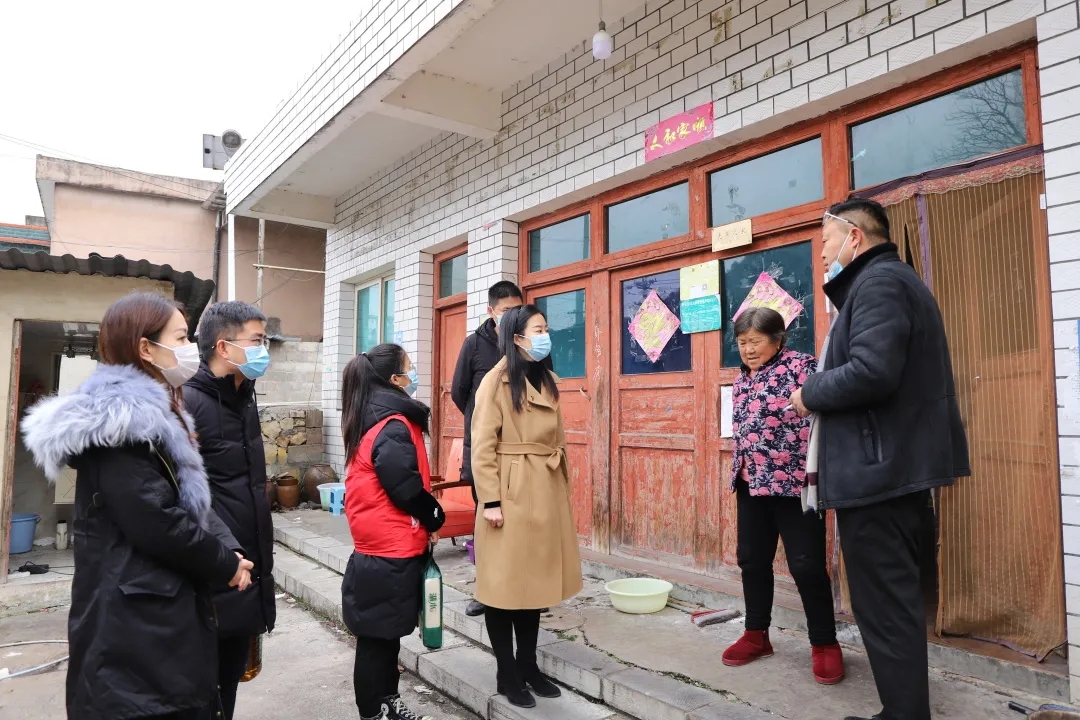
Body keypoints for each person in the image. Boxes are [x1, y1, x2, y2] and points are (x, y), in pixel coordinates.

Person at [21, 292, 253, 720]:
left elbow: (191, 500)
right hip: (137, 627)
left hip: (156, 611)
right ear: (146, 347)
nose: (190, 350)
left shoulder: (160, 412)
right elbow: (157, 520)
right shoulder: (122, 424)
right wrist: (224, 564)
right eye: (182, 338)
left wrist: (230, 549)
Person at [789, 198, 970, 720]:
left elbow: (872, 372)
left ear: (854, 238)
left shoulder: (880, 284)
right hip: (890, 471)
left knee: (886, 609)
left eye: (825, 242)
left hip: (881, 477)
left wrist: (811, 391)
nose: (821, 255)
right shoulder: (886, 283)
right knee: (894, 606)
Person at [722, 307, 843, 685]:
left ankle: (824, 644)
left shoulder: (802, 367)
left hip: (794, 486)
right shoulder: (741, 379)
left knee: (806, 565)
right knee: (752, 561)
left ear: (777, 338)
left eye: (755, 341)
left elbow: (828, 409)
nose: (748, 349)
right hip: (750, 483)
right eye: (742, 343)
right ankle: (756, 634)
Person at [470, 305, 583, 709]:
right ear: (516, 337)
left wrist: (562, 484)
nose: (545, 335)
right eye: (538, 329)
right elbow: (482, 447)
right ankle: (506, 671)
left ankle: (528, 664)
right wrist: (491, 501)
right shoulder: (494, 382)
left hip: (545, 487)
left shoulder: (548, 378)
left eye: (546, 329)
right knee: (503, 587)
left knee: (534, 587)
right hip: (510, 491)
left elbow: (560, 438)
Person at [340, 344, 445, 720]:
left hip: (382, 545)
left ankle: (386, 702)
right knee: (377, 640)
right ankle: (374, 710)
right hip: (390, 548)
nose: (413, 376)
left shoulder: (373, 417)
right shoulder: (392, 424)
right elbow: (404, 488)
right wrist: (434, 516)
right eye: (409, 370)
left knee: (384, 637)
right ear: (393, 380)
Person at [184, 301, 276, 720]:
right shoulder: (188, 403)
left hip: (248, 572)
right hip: (214, 570)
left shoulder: (244, 396)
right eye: (257, 341)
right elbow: (186, 498)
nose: (265, 350)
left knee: (229, 688)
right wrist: (225, 556)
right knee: (203, 691)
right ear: (224, 346)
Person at [451, 280, 523, 617]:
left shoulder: (528, 343)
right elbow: (458, 392)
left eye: (517, 310)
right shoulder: (474, 345)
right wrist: (485, 421)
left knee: (521, 520)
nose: (513, 317)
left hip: (523, 452)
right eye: (507, 311)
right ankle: (487, 589)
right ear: (491, 311)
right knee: (488, 519)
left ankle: (523, 586)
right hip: (487, 450)